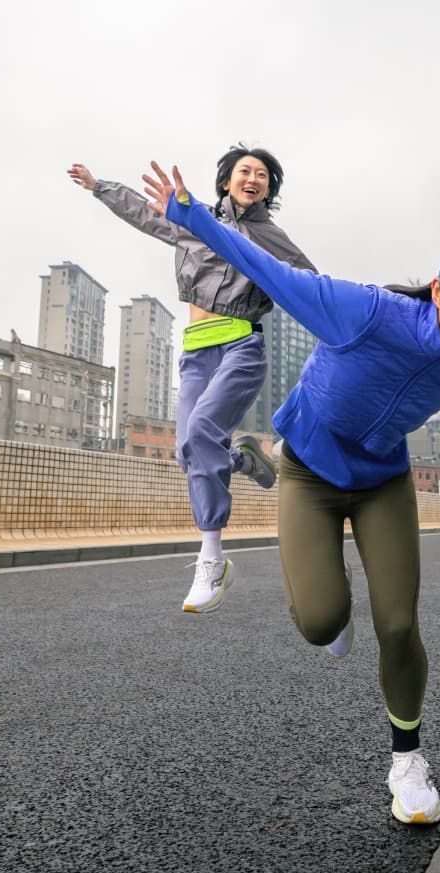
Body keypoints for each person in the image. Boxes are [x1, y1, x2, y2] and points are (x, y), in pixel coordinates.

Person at [143, 161, 440, 825]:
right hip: (308, 475)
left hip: (383, 484)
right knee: (319, 622)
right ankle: (332, 602)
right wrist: (194, 216)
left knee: (399, 623)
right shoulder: (364, 312)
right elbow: (272, 272)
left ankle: (407, 761)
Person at [68, 147, 315, 613]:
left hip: (241, 345)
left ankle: (212, 558)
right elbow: (145, 215)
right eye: (245, 171)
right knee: (189, 446)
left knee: (201, 432)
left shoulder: (270, 236)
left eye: (262, 175)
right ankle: (244, 461)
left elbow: (312, 281)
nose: (253, 178)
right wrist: (100, 186)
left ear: (268, 189)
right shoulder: (192, 221)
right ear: (227, 181)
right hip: (197, 351)